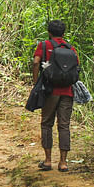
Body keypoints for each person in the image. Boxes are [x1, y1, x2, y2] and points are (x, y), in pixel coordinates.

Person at [32, 20, 77, 172]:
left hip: (49, 91)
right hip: (68, 91)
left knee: (46, 124)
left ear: (49, 32)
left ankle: (48, 160)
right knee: (64, 125)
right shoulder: (70, 48)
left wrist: (36, 81)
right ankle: (63, 163)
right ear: (64, 34)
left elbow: (36, 62)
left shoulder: (44, 45)